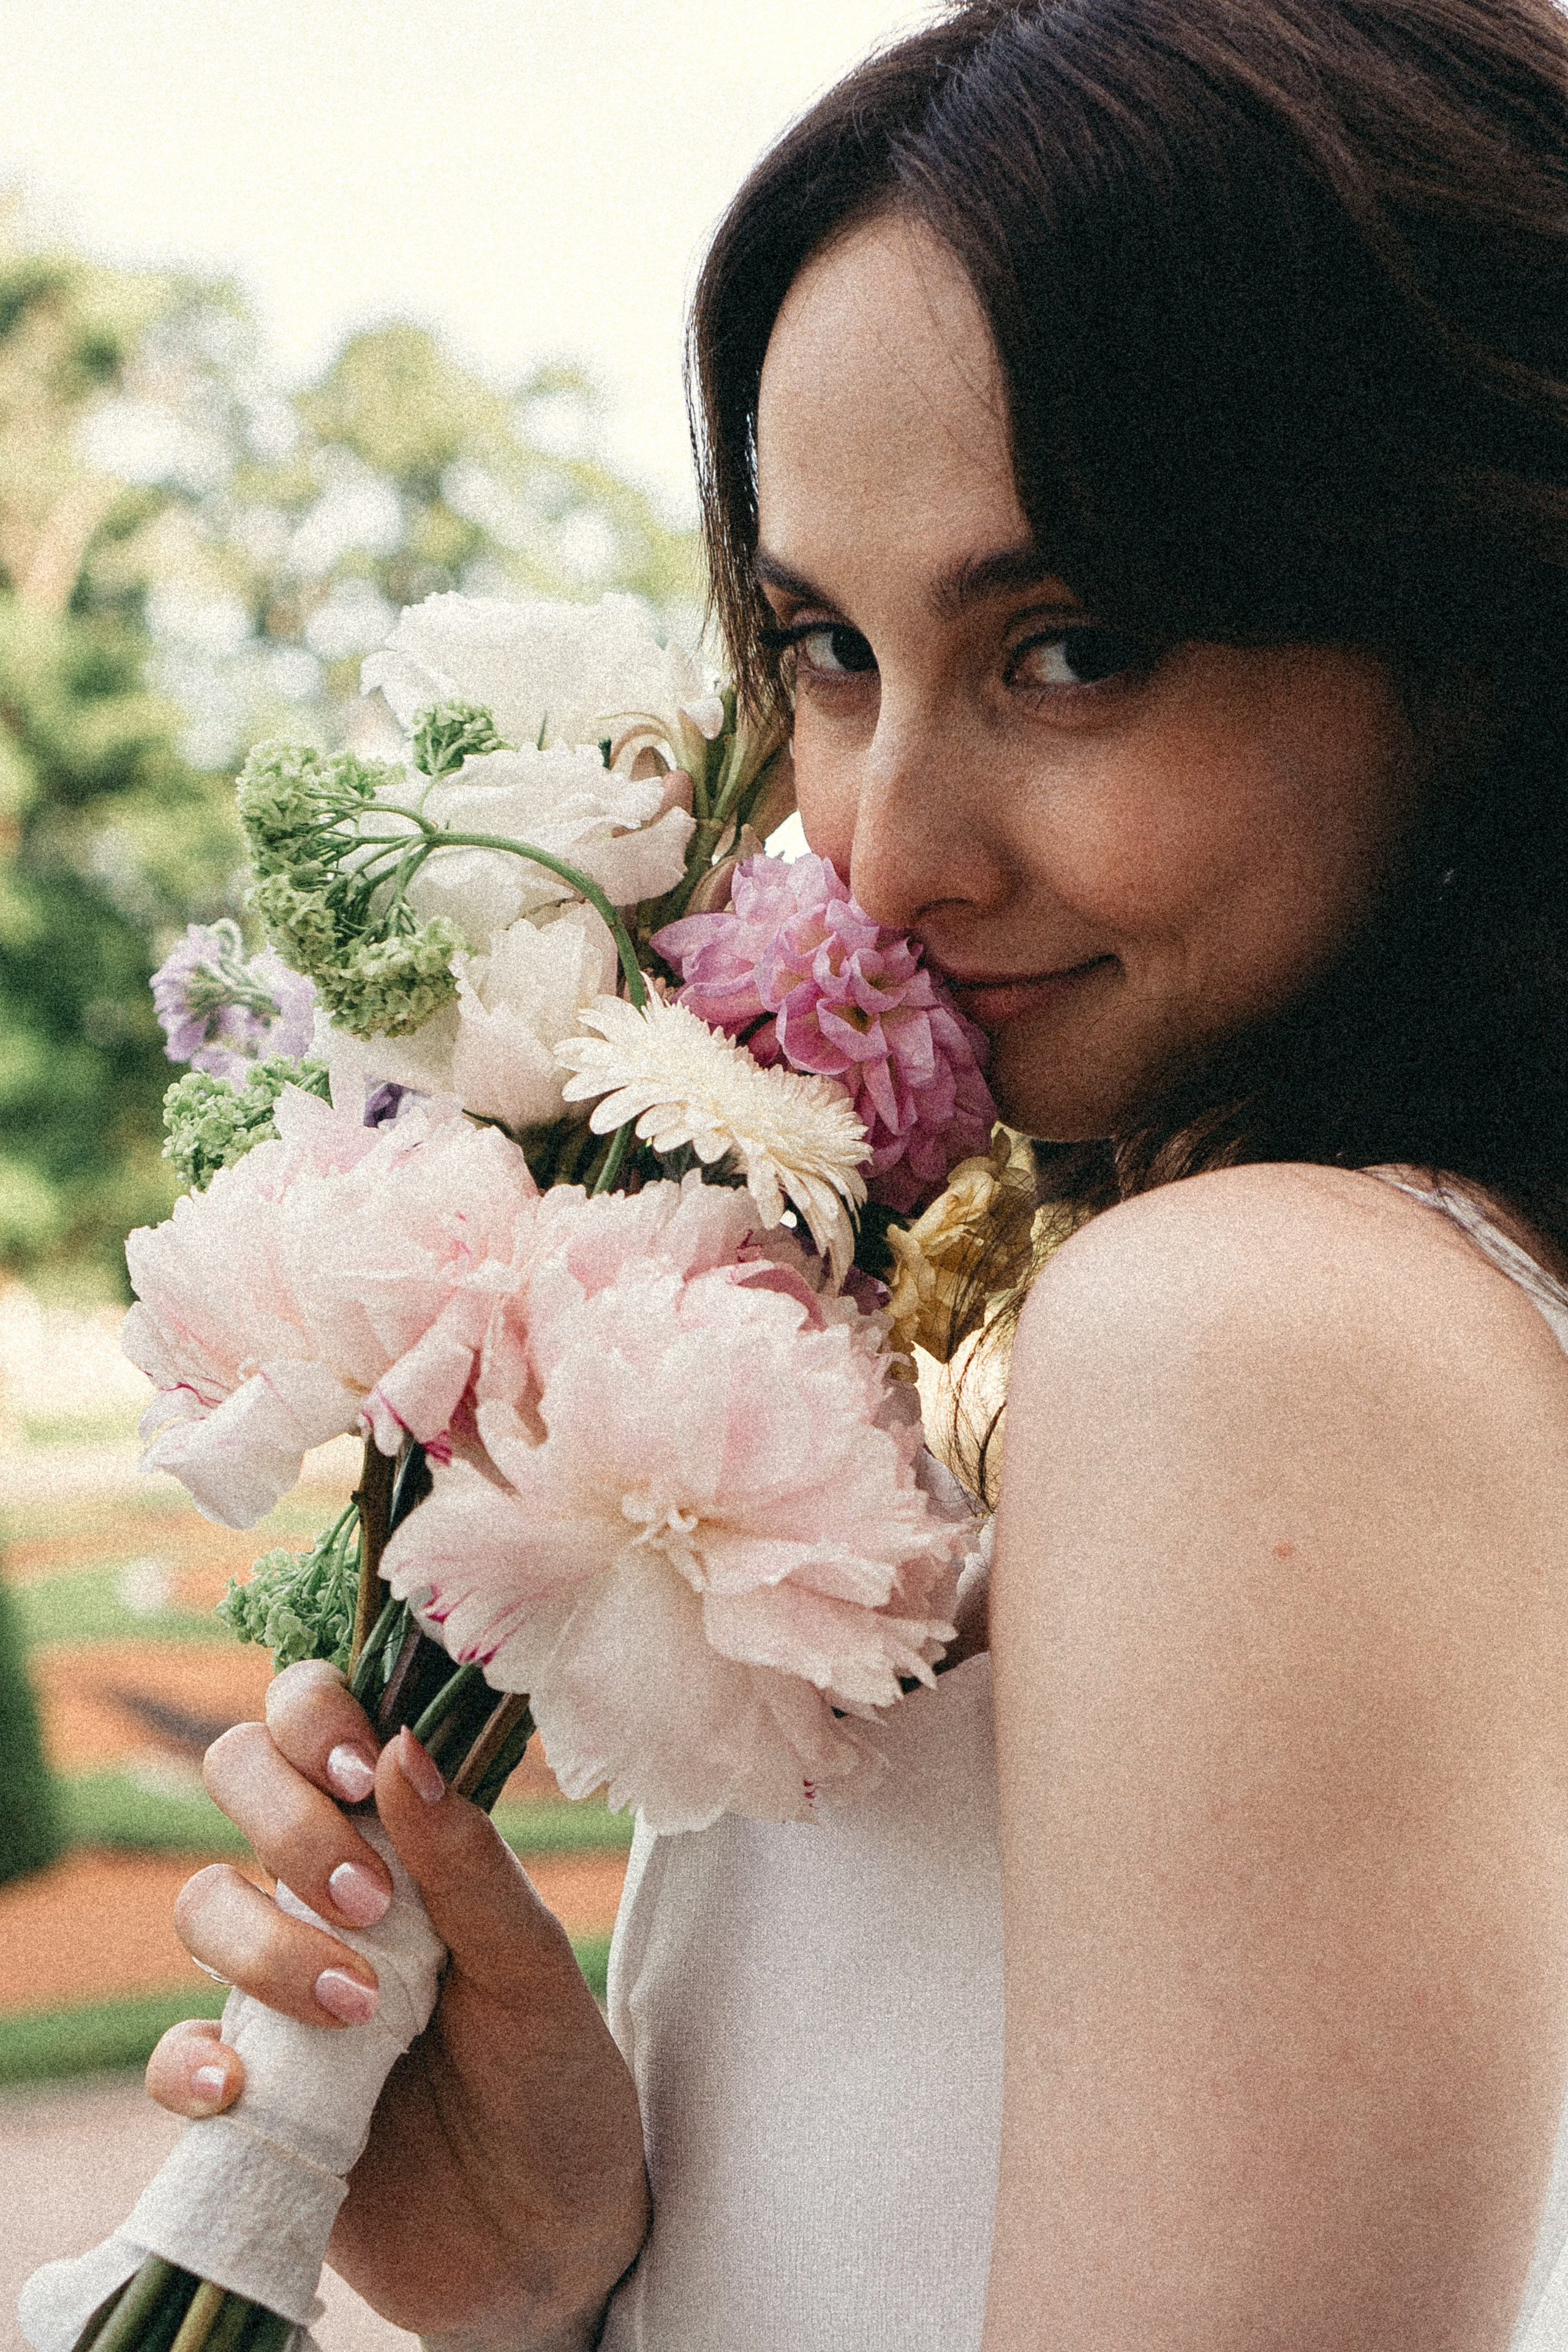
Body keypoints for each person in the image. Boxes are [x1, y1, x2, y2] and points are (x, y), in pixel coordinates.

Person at [145, 1, 1568, 2343]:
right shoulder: (1396, 1307)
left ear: (1472, 626)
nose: (879, 851)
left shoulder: (1260, 1334)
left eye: (1072, 648)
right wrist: (559, 2281)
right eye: (820, 645)